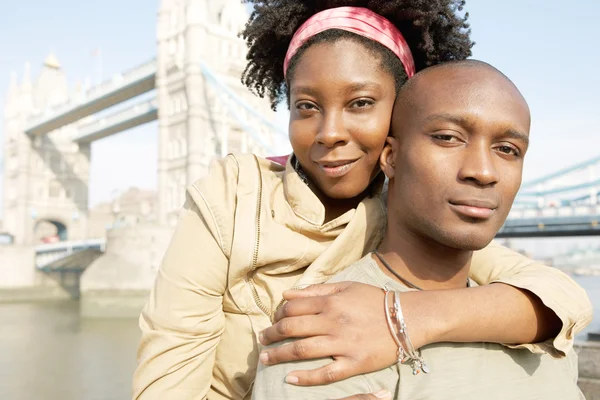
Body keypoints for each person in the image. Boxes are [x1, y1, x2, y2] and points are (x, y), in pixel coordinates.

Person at [133, 2, 592, 399]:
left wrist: (401, 317)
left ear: (400, 117)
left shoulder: (419, 218)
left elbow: (563, 299)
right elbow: (168, 367)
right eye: (306, 106)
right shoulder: (235, 193)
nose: (330, 133)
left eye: (360, 104)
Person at [252, 60, 584, 400]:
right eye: (448, 138)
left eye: (507, 150)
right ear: (391, 157)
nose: (484, 172)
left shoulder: (548, 325)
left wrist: (400, 316)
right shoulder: (323, 331)